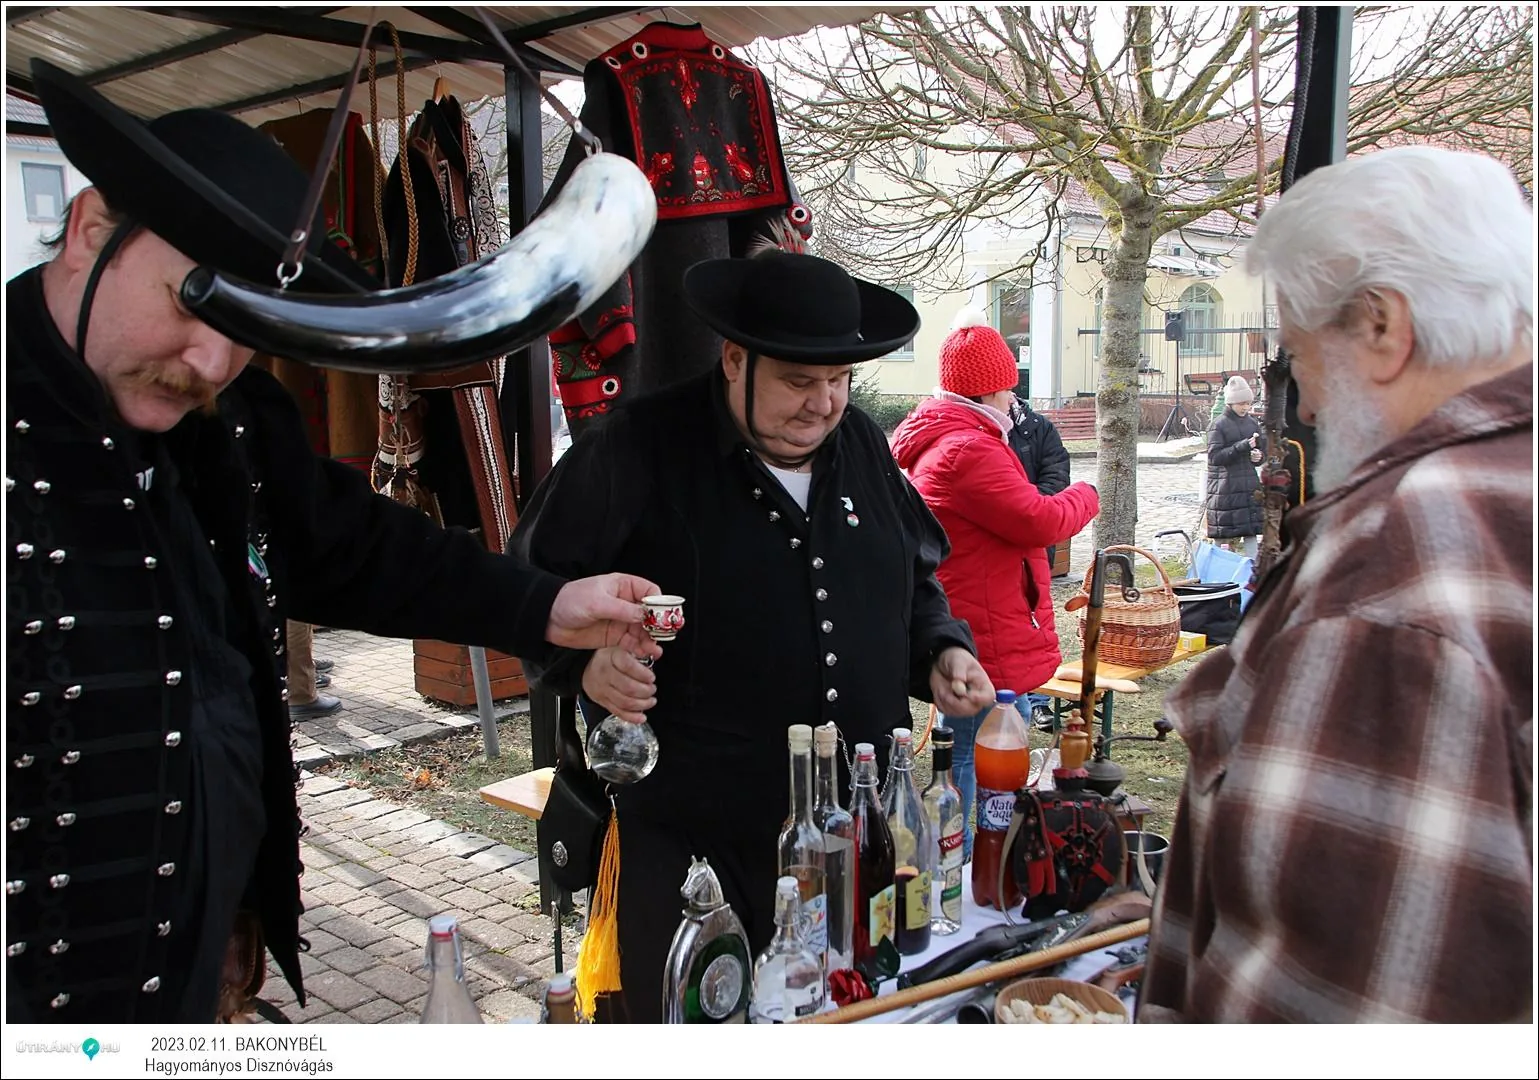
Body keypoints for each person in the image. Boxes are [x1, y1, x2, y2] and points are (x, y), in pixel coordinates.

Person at [5, 60, 661, 1025]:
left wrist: (549, 606)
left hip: (207, 973)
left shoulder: (234, 419)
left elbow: (359, 554)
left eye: (245, 328)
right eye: (191, 302)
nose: (211, 362)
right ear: (91, 229)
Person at [509, 251, 996, 1022]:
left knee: (855, 1020)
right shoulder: (637, 447)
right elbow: (528, 589)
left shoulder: (862, 445)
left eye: (838, 380)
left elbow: (911, 578)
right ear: (735, 359)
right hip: (698, 849)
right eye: (799, 382)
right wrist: (583, 663)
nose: (823, 404)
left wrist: (941, 648)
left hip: (854, 834)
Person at [1140, 145, 1532, 1023]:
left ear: (1382, 326)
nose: (1307, 406)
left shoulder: (1389, 577)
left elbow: (1329, 1006)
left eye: (1298, 357)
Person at [890, 310, 1100, 860]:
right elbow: (1039, 520)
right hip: (982, 626)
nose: (1013, 400)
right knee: (981, 747)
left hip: (977, 615)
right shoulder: (969, 448)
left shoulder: (949, 438)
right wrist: (1086, 495)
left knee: (981, 739)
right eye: (1008, 389)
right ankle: (965, 858)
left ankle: (973, 850)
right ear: (986, 392)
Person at [1204, 375, 1264, 559]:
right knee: (1222, 535)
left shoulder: (1252, 423)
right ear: (1231, 403)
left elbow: (1262, 451)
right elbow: (1215, 457)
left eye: (1248, 403)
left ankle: (1253, 570)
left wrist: (1259, 457)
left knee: (1250, 533)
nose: (1246, 407)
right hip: (1224, 489)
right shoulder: (1218, 425)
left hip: (1248, 488)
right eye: (1241, 404)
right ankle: (1218, 569)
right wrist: (1243, 446)